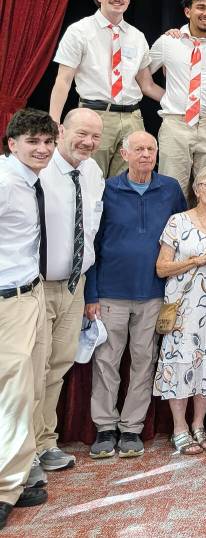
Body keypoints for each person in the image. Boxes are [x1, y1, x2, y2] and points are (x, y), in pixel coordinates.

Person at [86, 131, 188, 459]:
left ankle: (131, 428)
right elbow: (92, 244)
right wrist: (92, 293)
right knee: (106, 361)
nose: (145, 154)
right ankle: (104, 427)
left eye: (151, 149)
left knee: (144, 361)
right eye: (138, 149)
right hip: (111, 293)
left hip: (154, 293)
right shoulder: (107, 189)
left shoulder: (170, 188)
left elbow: (182, 236)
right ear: (124, 154)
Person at [34, 109, 105, 473]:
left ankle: (45, 442)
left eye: (95, 137)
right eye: (81, 134)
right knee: (31, 368)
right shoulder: (39, 170)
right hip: (37, 286)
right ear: (61, 130)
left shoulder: (93, 172)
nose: (88, 143)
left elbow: (88, 236)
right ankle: (22, 449)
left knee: (58, 366)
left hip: (75, 286)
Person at [153, 167, 206, 454]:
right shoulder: (178, 222)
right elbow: (162, 267)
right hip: (185, 308)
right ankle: (179, 427)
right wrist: (198, 260)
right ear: (196, 189)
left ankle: (199, 425)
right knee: (182, 363)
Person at [0, 109, 58, 525]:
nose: (42, 149)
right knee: (14, 398)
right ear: (11, 144)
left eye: (48, 142)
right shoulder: (4, 184)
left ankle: (17, 479)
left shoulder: (31, 182)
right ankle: (4, 490)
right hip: (7, 301)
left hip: (32, 292)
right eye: (33, 141)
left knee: (29, 391)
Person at [49, 0, 165, 176]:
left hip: (132, 118)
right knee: (89, 177)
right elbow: (63, 80)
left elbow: (147, 85)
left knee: (127, 182)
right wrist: (53, 123)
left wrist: (184, 105)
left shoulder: (137, 36)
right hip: (95, 116)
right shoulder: (79, 31)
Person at [149, 0, 206, 195]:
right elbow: (142, 77)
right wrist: (166, 98)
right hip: (176, 124)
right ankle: (174, 228)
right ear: (187, 11)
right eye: (201, 7)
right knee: (171, 189)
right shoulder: (168, 42)